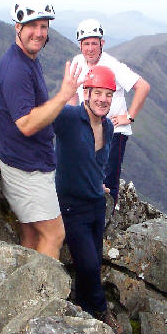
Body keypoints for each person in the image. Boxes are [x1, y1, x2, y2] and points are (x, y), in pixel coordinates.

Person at [0, 0, 81, 259]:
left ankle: (22, 293)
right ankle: (42, 296)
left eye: (44, 26)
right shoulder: (17, 69)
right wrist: (63, 96)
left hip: (24, 161)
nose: (39, 33)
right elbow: (27, 124)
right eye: (32, 26)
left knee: (30, 234)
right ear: (18, 26)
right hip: (26, 168)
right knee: (54, 234)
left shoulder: (27, 60)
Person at [53, 64, 125, 334]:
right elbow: (44, 118)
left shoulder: (107, 126)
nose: (103, 99)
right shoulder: (71, 118)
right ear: (87, 93)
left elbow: (99, 161)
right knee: (89, 264)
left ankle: (83, 308)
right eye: (98, 93)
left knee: (93, 261)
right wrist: (63, 93)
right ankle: (101, 310)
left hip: (96, 204)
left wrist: (98, 181)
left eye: (108, 94)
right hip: (71, 206)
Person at [69, 19, 150, 205]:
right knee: (86, 175)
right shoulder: (77, 62)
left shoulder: (112, 66)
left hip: (114, 132)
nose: (90, 48)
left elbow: (143, 87)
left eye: (94, 43)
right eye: (86, 43)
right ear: (80, 45)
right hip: (87, 130)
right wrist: (73, 119)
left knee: (107, 179)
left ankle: (106, 223)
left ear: (101, 44)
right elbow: (72, 93)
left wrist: (129, 117)